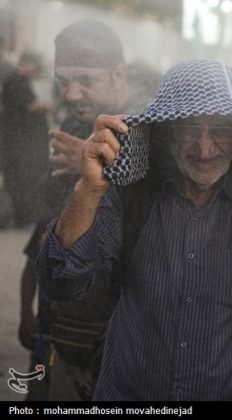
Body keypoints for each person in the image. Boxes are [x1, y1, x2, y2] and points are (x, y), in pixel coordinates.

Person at [37, 58, 232, 401]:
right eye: (188, 129)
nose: (205, 148)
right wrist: (88, 189)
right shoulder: (130, 192)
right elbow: (61, 280)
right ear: (165, 132)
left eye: (220, 129)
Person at [18, 19, 150, 401]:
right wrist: (29, 307)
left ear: (118, 75)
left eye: (85, 80)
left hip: (118, 340)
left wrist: (99, 169)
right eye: (63, 81)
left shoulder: (150, 130)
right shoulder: (73, 131)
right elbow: (44, 235)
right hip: (57, 328)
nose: (71, 93)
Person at [1, 52, 50, 227]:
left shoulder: (19, 81)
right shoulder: (16, 81)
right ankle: (23, 219)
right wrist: (50, 105)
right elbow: (30, 105)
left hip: (21, 141)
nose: (37, 70)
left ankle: (23, 219)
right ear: (27, 64)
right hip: (19, 142)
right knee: (23, 181)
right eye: (36, 66)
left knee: (23, 180)